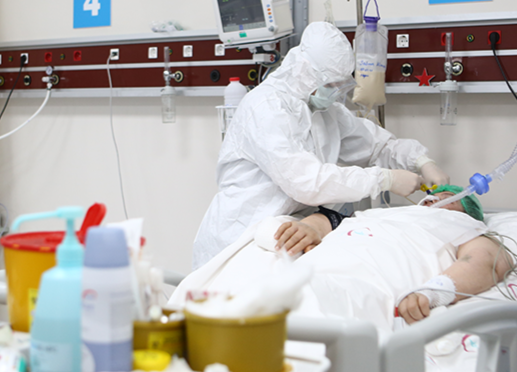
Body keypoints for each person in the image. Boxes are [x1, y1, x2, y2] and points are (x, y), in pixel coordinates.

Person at [192, 21, 449, 269]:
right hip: (240, 238)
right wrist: (384, 180)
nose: (336, 91)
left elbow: (376, 146)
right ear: (304, 71)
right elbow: (307, 183)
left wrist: (421, 161)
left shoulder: (325, 111)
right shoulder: (265, 107)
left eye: (340, 84)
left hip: (285, 235)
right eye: (330, 84)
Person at [274, 185, 510, 325]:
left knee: (325, 313)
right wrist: (310, 227)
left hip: (372, 278)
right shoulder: (384, 214)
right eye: (434, 194)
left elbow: (489, 260)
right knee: (279, 300)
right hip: (317, 267)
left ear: (466, 211)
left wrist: (434, 292)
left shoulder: (462, 224)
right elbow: (331, 219)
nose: (434, 198)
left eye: (448, 197)